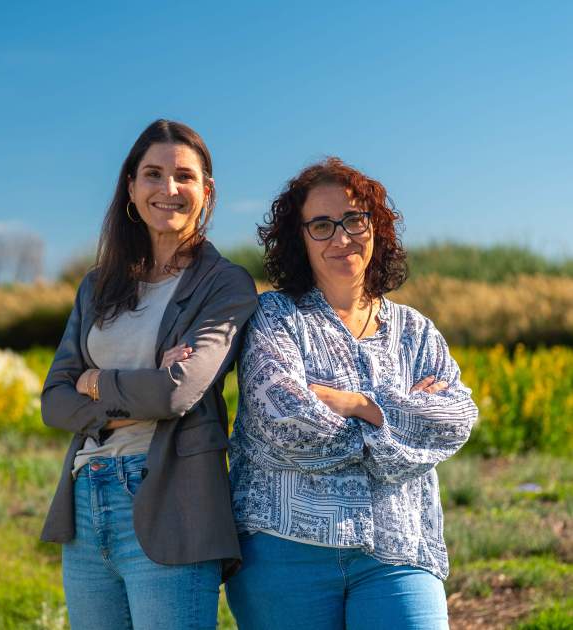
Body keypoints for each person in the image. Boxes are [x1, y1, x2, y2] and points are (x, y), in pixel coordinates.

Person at [226, 157, 478, 630]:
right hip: (284, 552)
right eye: (321, 225)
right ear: (300, 238)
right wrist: (400, 427)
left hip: (398, 549)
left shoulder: (416, 331)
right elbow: (285, 420)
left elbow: (455, 419)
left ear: (375, 226)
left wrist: (361, 405)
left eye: (353, 220)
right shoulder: (275, 317)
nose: (341, 238)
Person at [40, 119, 257, 630]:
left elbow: (173, 394)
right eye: (153, 174)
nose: (168, 188)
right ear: (132, 187)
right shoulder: (97, 285)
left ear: (207, 191)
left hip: (173, 501)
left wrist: (95, 381)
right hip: (86, 498)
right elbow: (54, 400)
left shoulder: (225, 285)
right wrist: (133, 390)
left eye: (184, 176)